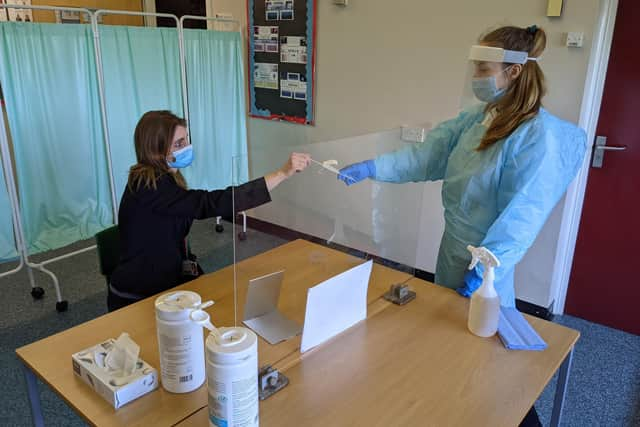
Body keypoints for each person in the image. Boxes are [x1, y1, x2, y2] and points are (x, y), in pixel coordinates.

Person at [340, 25, 586, 424]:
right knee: (442, 340)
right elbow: (427, 157)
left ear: (514, 72)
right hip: (452, 246)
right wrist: (374, 167)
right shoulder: (478, 118)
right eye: (474, 68)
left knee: (484, 357)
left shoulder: (536, 136)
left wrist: (487, 268)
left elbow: (522, 216)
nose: (476, 78)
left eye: (483, 69)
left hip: (488, 265)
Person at [108, 110, 311, 311]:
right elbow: (210, 203)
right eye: (179, 144)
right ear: (157, 150)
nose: (186, 148)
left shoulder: (165, 179)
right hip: (140, 296)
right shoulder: (150, 186)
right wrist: (282, 173)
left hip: (169, 278)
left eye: (186, 140)